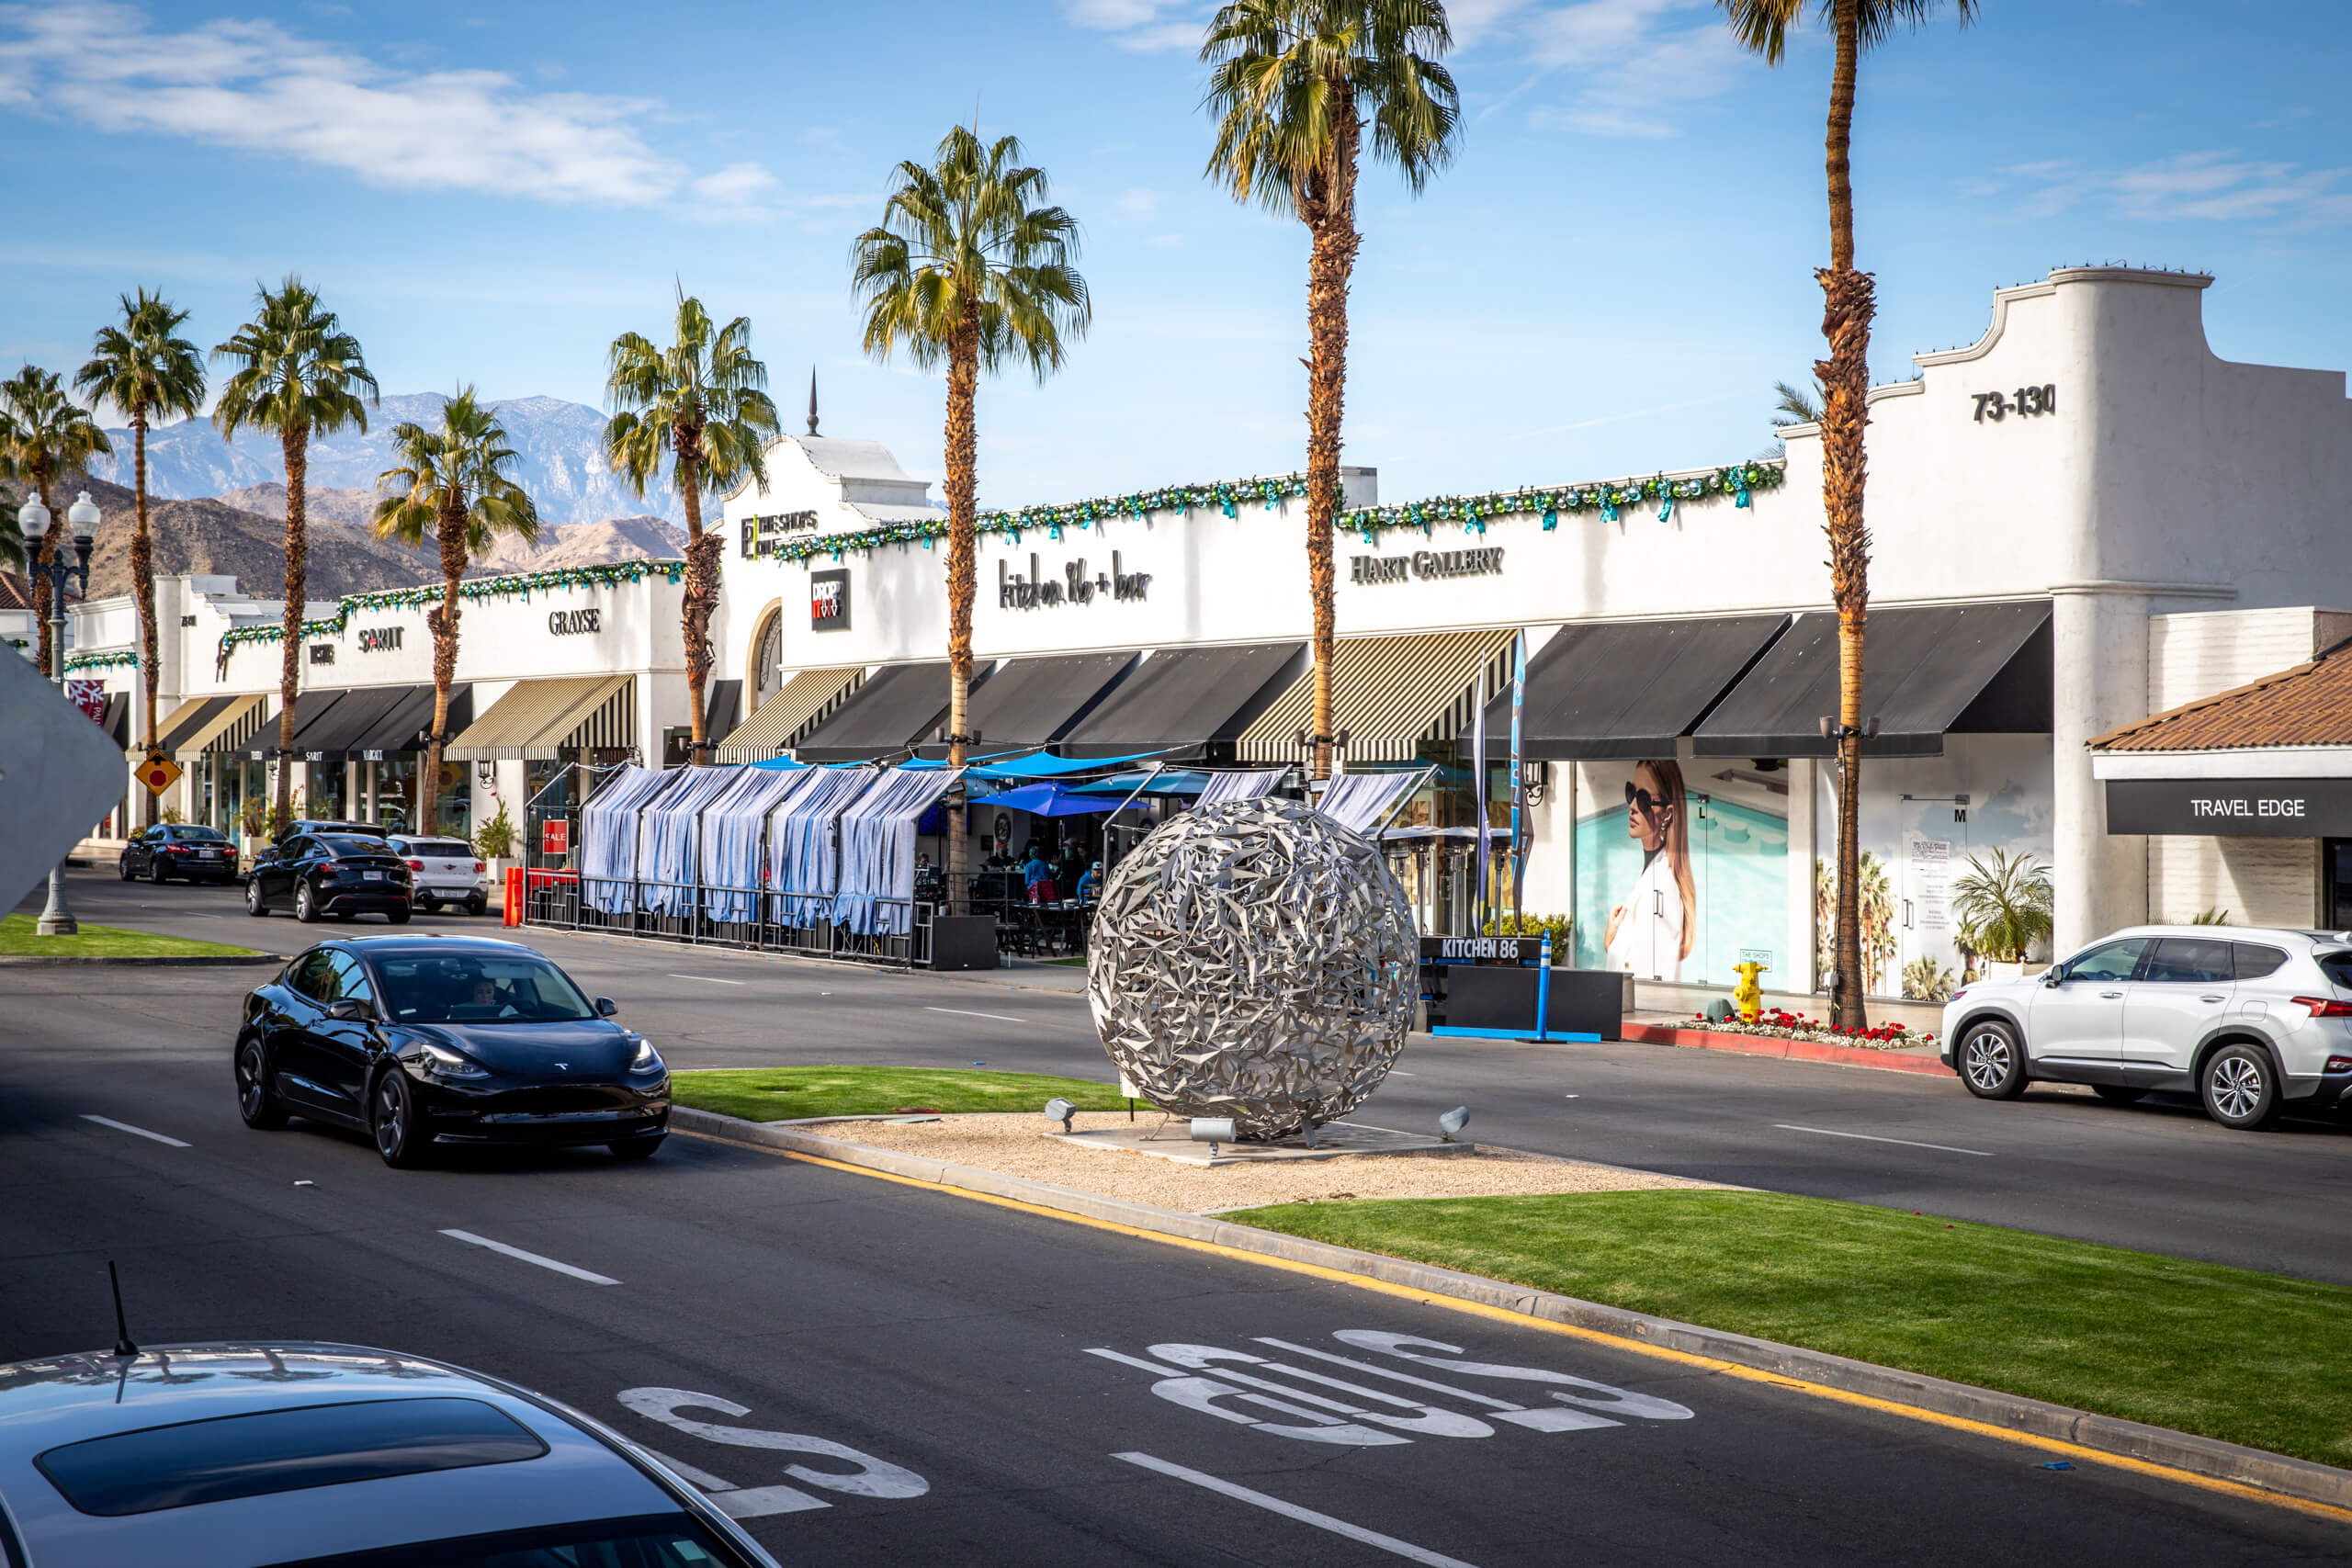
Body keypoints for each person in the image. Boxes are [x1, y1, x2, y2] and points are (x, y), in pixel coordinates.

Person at [1603, 758, 1698, 983]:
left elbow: (1652, 978)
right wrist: (1613, 942)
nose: (1633, 806)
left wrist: (1611, 943)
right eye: (1631, 793)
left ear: (1667, 814)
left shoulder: (1662, 889)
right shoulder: (1654, 873)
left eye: (1644, 799)